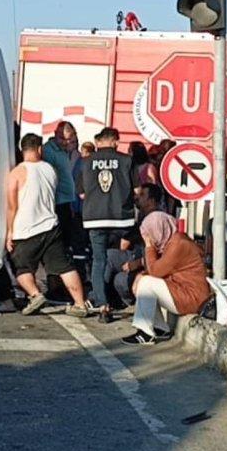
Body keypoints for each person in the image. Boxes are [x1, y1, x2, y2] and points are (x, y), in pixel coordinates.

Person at [7, 133, 93, 317]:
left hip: (25, 229)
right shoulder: (50, 169)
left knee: (22, 268)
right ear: (39, 149)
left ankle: (35, 294)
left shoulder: (16, 173)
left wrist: (9, 232)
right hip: (50, 227)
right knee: (65, 267)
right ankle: (79, 304)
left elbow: (12, 207)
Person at [121, 212, 212, 346]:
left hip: (193, 297)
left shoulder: (178, 244)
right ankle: (159, 328)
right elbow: (161, 269)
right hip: (184, 289)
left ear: (159, 229)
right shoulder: (173, 241)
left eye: (150, 234)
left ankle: (145, 333)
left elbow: (155, 271)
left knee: (147, 283)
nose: (149, 238)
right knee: (146, 282)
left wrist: (149, 246)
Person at [80, 127, 138, 321]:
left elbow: (81, 194)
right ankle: (120, 294)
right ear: (115, 141)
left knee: (99, 261)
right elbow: (137, 190)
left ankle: (103, 305)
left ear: (99, 141)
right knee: (116, 257)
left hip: (95, 219)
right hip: (122, 219)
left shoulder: (86, 162)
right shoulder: (127, 161)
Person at [105, 183, 162, 310]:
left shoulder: (156, 220)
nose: (137, 198)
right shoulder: (143, 216)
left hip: (145, 262)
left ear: (151, 201)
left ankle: (106, 299)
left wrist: (138, 263)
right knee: (109, 257)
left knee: (120, 279)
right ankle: (101, 297)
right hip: (137, 255)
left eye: (142, 195)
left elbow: (159, 253)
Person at [42, 122, 85, 267]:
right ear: (56, 135)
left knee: (68, 236)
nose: (67, 142)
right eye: (63, 139)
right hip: (55, 201)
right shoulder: (49, 151)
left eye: (70, 140)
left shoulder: (72, 153)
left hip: (68, 202)